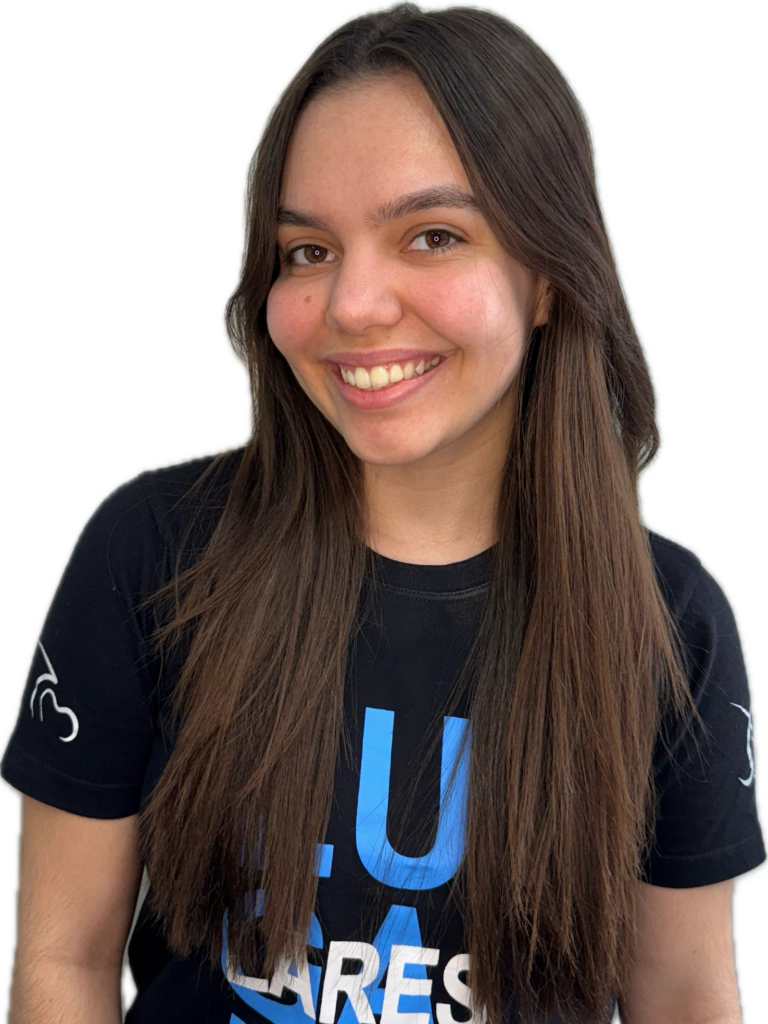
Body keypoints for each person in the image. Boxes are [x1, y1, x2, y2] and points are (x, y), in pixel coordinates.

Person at [2, 2, 765, 1022]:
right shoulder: (149, 548)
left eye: (432, 236)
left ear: (549, 277)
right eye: (308, 251)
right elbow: (64, 959)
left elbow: (684, 995)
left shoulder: (671, 620)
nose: (352, 305)